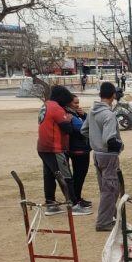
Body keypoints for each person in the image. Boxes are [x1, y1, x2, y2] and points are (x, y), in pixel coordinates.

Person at [37, 85, 87, 215]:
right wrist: (69, 120)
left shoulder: (46, 105)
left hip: (43, 147)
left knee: (49, 176)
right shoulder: (57, 108)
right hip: (54, 148)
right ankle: (73, 205)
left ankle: (51, 204)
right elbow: (68, 129)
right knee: (66, 176)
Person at [81, 82, 123, 230]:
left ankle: (109, 217)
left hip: (97, 155)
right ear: (113, 95)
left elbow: (84, 130)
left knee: (109, 188)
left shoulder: (93, 111)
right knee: (110, 190)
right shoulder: (108, 114)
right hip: (108, 155)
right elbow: (109, 139)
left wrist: (95, 141)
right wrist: (119, 146)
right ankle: (104, 222)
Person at [65, 95, 92, 210]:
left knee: (80, 175)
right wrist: (84, 118)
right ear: (69, 103)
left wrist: (84, 115)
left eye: (78, 102)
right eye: (75, 103)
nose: (77, 105)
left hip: (82, 148)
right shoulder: (70, 115)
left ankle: (78, 198)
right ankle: (75, 199)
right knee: (79, 175)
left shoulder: (76, 114)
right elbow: (83, 129)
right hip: (78, 149)